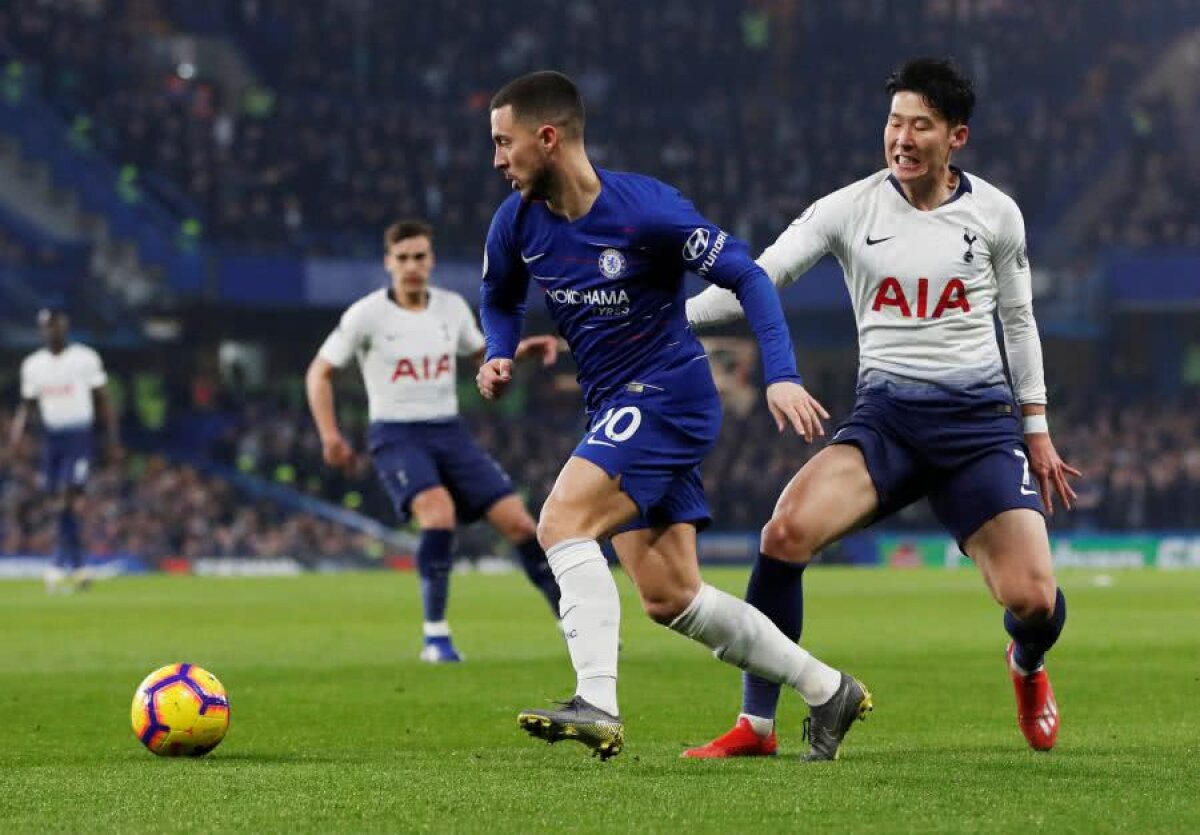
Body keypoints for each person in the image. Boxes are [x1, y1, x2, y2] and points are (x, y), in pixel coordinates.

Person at [684, 57, 1080, 757]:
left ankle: (1026, 664)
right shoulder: (848, 208)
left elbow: (1019, 323)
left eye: (919, 125)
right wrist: (669, 319)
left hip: (978, 432)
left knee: (1034, 602)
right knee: (783, 535)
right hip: (887, 424)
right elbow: (759, 277)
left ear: (955, 136)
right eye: (894, 121)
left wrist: (1037, 429)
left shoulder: (995, 214)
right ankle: (758, 724)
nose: (901, 137)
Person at [477, 70, 871, 762]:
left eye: (504, 143)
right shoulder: (516, 222)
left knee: (560, 521)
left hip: (667, 392)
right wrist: (500, 351)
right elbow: (501, 294)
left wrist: (780, 375)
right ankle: (827, 687)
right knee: (670, 595)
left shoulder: (646, 212)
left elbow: (747, 273)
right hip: (615, 405)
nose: (497, 159)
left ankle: (596, 699)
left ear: (548, 137)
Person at [306, 219, 563, 663]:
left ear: (431, 260)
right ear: (389, 262)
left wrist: (520, 349)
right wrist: (330, 435)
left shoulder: (449, 308)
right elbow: (320, 371)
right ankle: (436, 636)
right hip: (396, 434)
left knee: (521, 523)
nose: (411, 266)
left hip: (449, 431)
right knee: (438, 515)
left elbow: (480, 352)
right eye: (402, 258)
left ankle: (570, 620)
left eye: (419, 257)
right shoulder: (366, 315)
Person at [9, 308, 120, 593]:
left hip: (78, 436)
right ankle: (80, 565)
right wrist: (17, 436)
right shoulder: (33, 365)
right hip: (52, 438)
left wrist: (111, 439)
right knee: (58, 502)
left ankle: (59, 563)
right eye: (47, 327)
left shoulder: (84, 358)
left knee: (68, 496)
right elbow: (27, 404)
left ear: (65, 327)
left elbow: (102, 400)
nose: (52, 331)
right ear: (42, 330)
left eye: (56, 325)